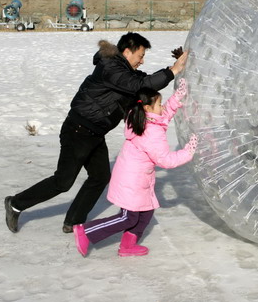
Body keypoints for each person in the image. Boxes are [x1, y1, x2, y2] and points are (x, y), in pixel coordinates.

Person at [5, 32, 188, 234]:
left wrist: (174, 69)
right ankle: (15, 203)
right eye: (140, 56)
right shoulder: (110, 67)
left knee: (100, 177)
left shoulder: (125, 72)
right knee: (63, 181)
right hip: (79, 130)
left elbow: (144, 84)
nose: (142, 61)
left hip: (95, 133)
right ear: (127, 52)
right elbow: (138, 85)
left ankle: (74, 221)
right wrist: (171, 72)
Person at [73, 79, 198, 257]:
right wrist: (188, 152)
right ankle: (86, 232)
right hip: (131, 181)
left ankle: (127, 246)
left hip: (138, 178)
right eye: (159, 104)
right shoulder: (151, 133)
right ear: (147, 108)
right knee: (128, 217)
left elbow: (164, 116)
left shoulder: (143, 118)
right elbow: (166, 161)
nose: (162, 107)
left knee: (146, 213)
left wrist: (176, 98)